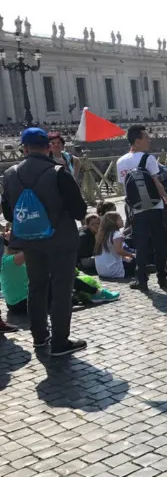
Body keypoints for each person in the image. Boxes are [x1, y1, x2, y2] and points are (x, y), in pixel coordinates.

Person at [1, 127, 88, 354]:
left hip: (30, 242)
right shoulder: (58, 172)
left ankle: (39, 337)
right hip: (61, 241)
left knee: (36, 287)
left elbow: (10, 214)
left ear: (24, 148)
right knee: (61, 289)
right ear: (48, 147)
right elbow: (79, 211)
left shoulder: (10, 175)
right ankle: (60, 342)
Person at [117, 125, 167, 292]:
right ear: (137, 141)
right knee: (158, 243)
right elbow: (155, 181)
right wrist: (165, 196)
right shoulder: (148, 158)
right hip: (155, 206)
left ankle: (142, 280)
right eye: (146, 137)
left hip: (136, 209)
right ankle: (162, 278)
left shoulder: (120, 161)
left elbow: (124, 187)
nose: (149, 140)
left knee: (140, 245)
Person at [94, 212, 136, 279]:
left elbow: (112, 252)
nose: (122, 220)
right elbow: (119, 251)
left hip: (101, 271)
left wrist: (124, 258)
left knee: (129, 260)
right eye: (120, 219)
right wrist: (131, 255)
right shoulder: (117, 234)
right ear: (113, 222)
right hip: (114, 271)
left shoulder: (101, 235)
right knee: (137, 261)